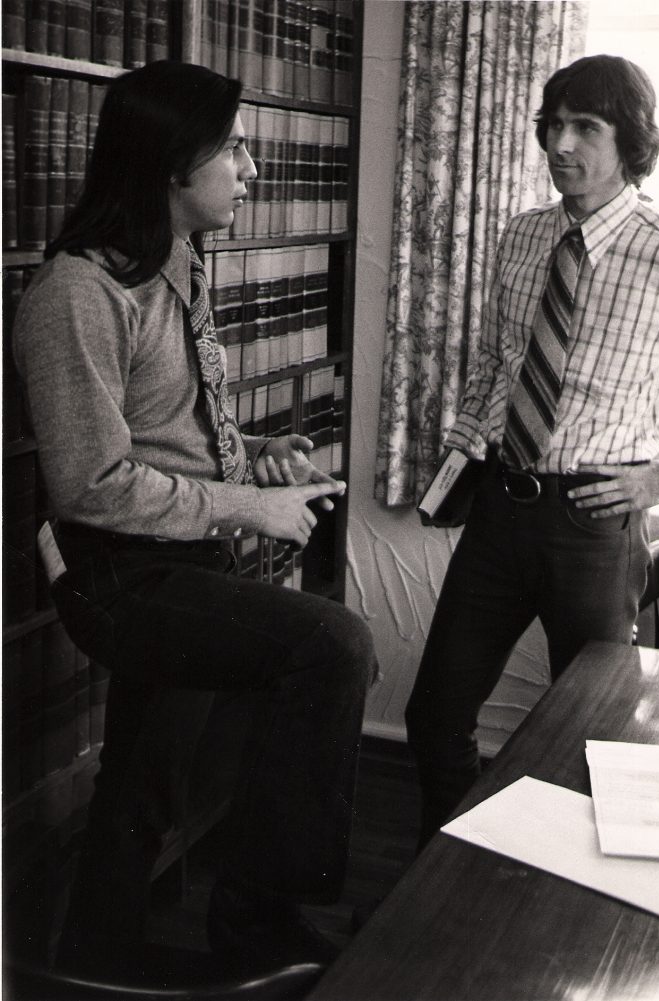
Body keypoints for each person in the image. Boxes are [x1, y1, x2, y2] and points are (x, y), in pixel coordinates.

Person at [13, 60, 376, 979]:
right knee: (334, 645)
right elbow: (91, 483)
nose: (252, 169)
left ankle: (89, 958)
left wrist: (255, 454)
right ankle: (257, 925)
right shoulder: (76, 295)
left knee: (144, 778)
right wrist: (252, 504)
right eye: (234, 148)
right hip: (118, 575)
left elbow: (168, 435)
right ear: (173, 162)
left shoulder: (179, 266)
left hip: (181, 557)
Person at [405, 54, 659, 849]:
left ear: (631, 142)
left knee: (594, 735)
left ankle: (562, 895)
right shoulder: (523, 236)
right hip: (499, 513)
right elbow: (499, 362)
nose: (561, 145)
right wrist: (462, 451)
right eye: (553, 125)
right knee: (435, 713)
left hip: (592, 527)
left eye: (585, 127)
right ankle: (448, 873)